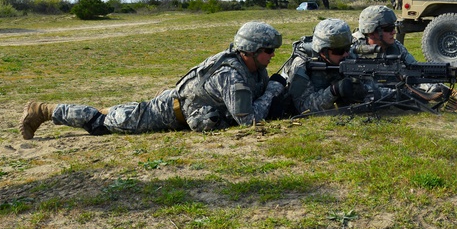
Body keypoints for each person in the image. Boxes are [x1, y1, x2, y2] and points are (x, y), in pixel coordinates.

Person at [19, 21, 287, 139]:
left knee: (115, 113)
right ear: (250, 51)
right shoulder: (231, 74)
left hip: (180, 103)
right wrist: (273, 92)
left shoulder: (250, 69)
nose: (272, 55)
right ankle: (44, 111)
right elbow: (249, 120)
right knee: (102, 123)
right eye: (268, 51)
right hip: (166, 113)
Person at [352, 5, 457, 111]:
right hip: (368, 88)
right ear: (372, 31)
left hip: (392, 82)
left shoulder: (395, 46)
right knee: (408, 96)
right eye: (389, 29)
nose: (394, 32)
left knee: (432, 88)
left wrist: (440, 87)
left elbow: (415, 69)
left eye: (394, 27)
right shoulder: (353, 48)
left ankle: (454, 99)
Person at [275, 18, 368, 115]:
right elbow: (303, 107)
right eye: (339, 51)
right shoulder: (302, 64)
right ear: (323, 51)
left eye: (348, 48)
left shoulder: (347, 55)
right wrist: (334, 91)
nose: (345, 54)